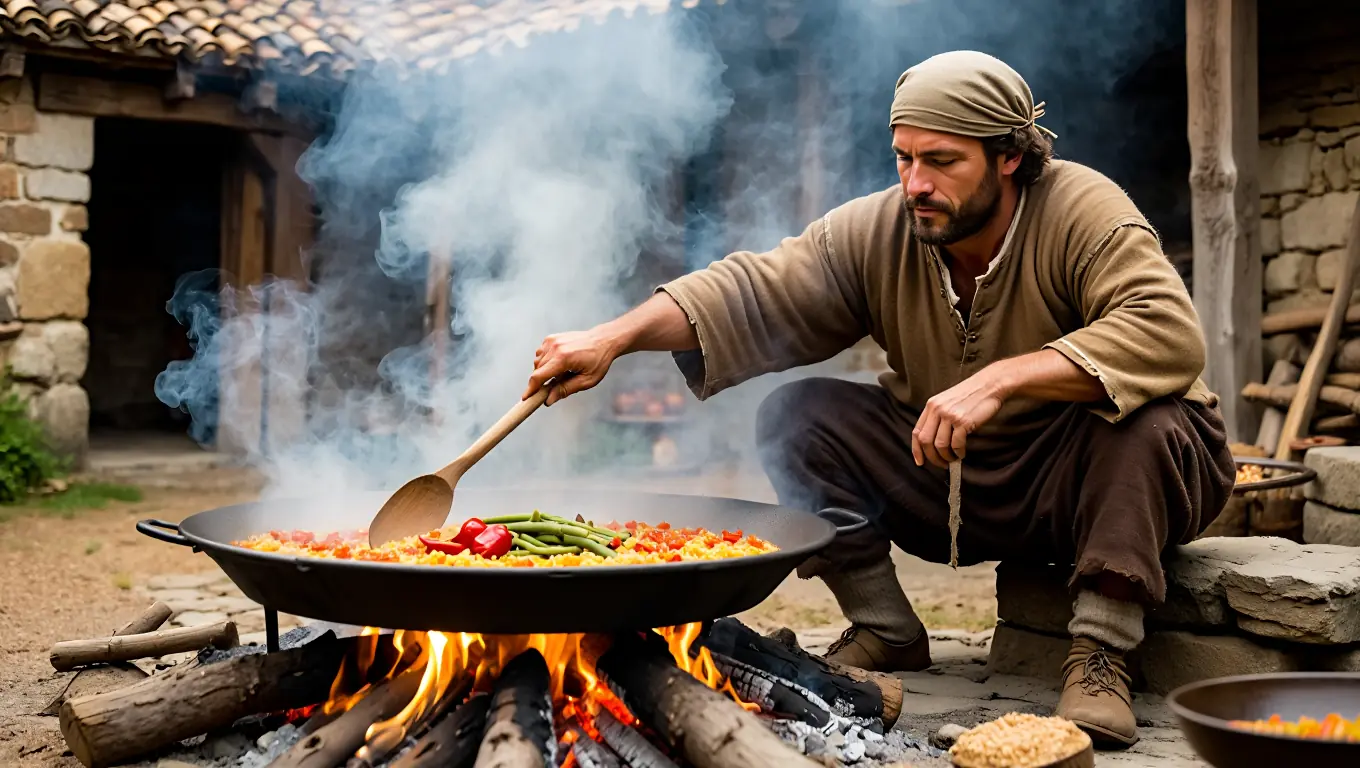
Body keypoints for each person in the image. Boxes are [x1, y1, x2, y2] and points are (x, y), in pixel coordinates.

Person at [524, 50, 1234, 748]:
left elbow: (1167, 332)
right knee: (799, 418)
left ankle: (1102, 653)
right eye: (904, 158)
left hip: (1087, 479)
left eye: (942, 161)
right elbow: (754, 289)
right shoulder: (883, 229)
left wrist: (999, 379)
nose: (916, 183)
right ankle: (885, 628)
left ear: (1010, 156)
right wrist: (614, 338)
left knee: (1147, 422)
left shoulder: (1083, 209)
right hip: (953, 474)